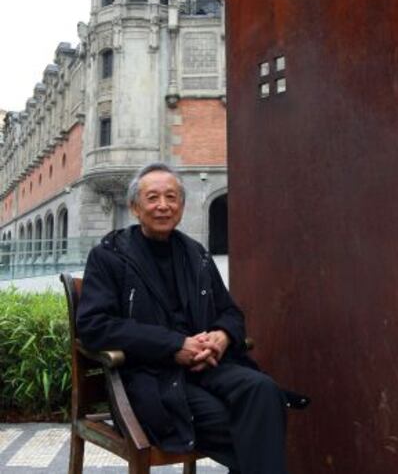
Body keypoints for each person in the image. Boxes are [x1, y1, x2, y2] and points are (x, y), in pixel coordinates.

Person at [77, 162, 307, 473]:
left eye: (172, 198)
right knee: (251, 423)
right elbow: (94, 325)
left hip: (206, 366)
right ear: (134, 207)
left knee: (263, 391)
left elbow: (229, 312)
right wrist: (174, 345)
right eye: (153, 198)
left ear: (182, 206)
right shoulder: (109, 256)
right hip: (150, 375)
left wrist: (223, 336)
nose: (163, 206)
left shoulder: (195, 254)